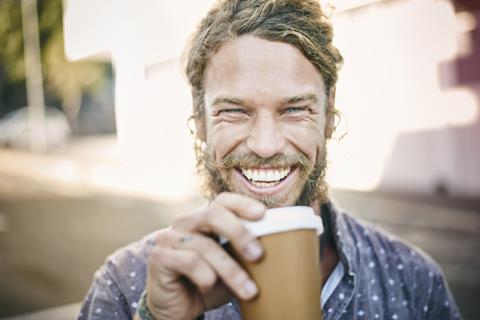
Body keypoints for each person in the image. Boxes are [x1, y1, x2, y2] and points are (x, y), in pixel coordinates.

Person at [78, 1, 462, 319]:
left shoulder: (413, 281)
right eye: (234, 111)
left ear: (328, 120)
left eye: (295, 109)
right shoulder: (127, 285)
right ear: (200, 123)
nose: (265, 145)